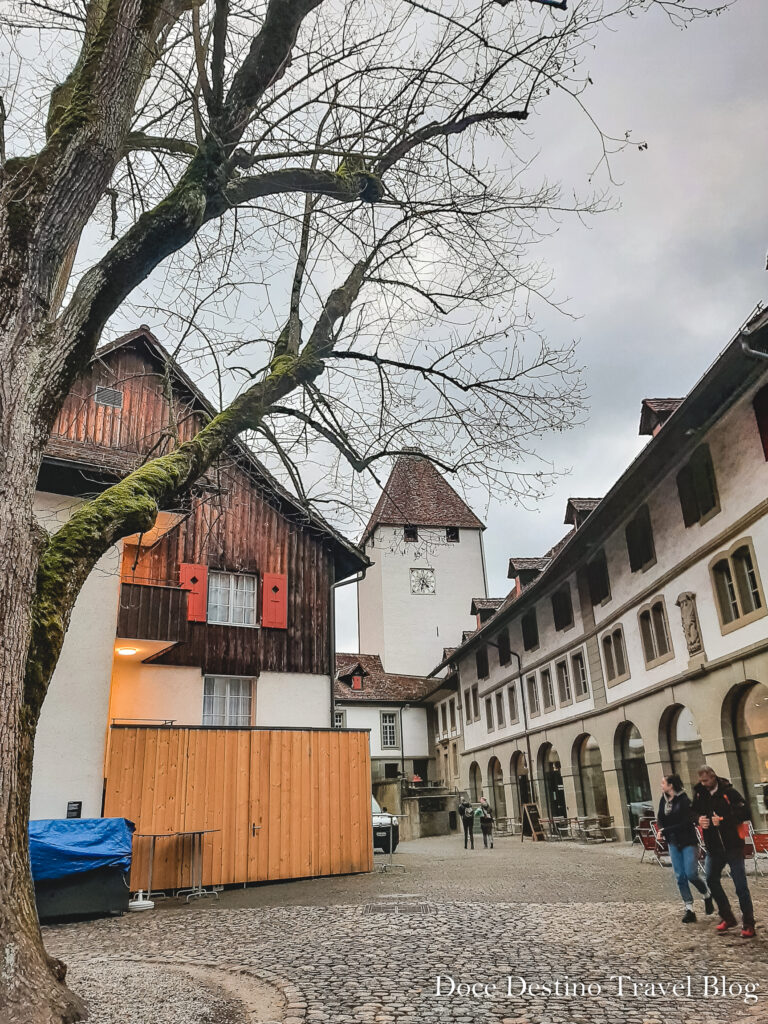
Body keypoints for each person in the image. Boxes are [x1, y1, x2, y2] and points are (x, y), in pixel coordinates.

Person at [692, 765, 756, 938]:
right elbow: (692, 811)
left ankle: (749, 923)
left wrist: (723, 820)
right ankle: (727, 916)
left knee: (740, 885)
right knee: (711, 880)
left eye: (706, 780)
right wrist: (699, 819)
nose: (703, 784)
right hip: (713, 847)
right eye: (701, 781)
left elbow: (746, 812)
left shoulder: (729, 792)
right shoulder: (699, 793)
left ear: (713, 778)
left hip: (733, 846)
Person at [657, 774, 713, 923]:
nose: (661, 785)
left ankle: (707, 894)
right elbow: (660, 818)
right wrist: (661, 830)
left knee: (691, 874)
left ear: (671, 785)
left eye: (663, 783)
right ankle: (689, 909)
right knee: (680, 876)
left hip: (688, 842)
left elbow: (685, 823)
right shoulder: (663, 799)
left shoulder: (684, 800)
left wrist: (665, 831)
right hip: (673, 843)